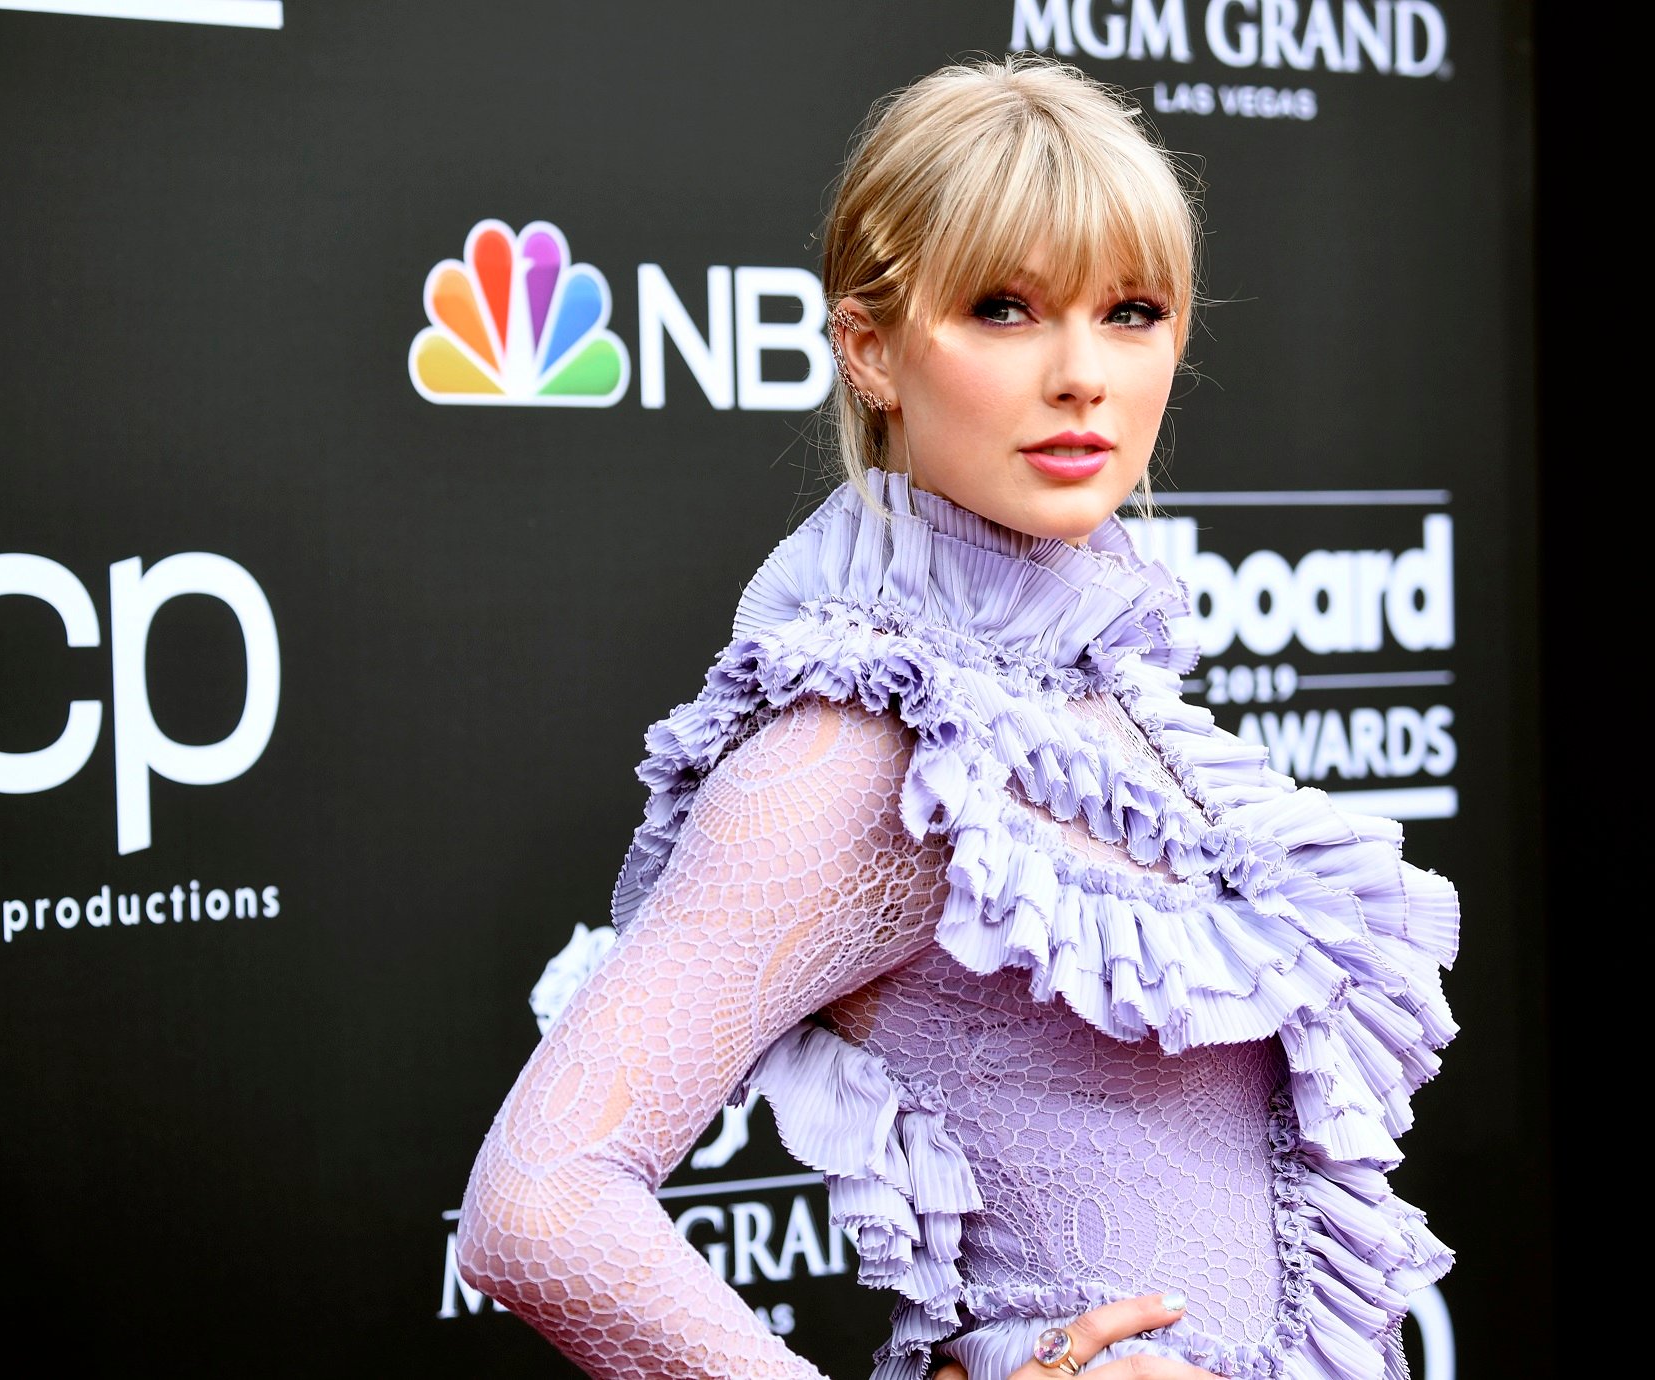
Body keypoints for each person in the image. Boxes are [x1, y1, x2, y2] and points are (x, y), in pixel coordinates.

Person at [457, 53, 1459, 1380]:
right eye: (1003, 309)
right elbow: (537, 1204)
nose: (1083, 375)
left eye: (1133, 311)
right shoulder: (861, 747)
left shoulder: (1109, 700)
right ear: (869, 347)